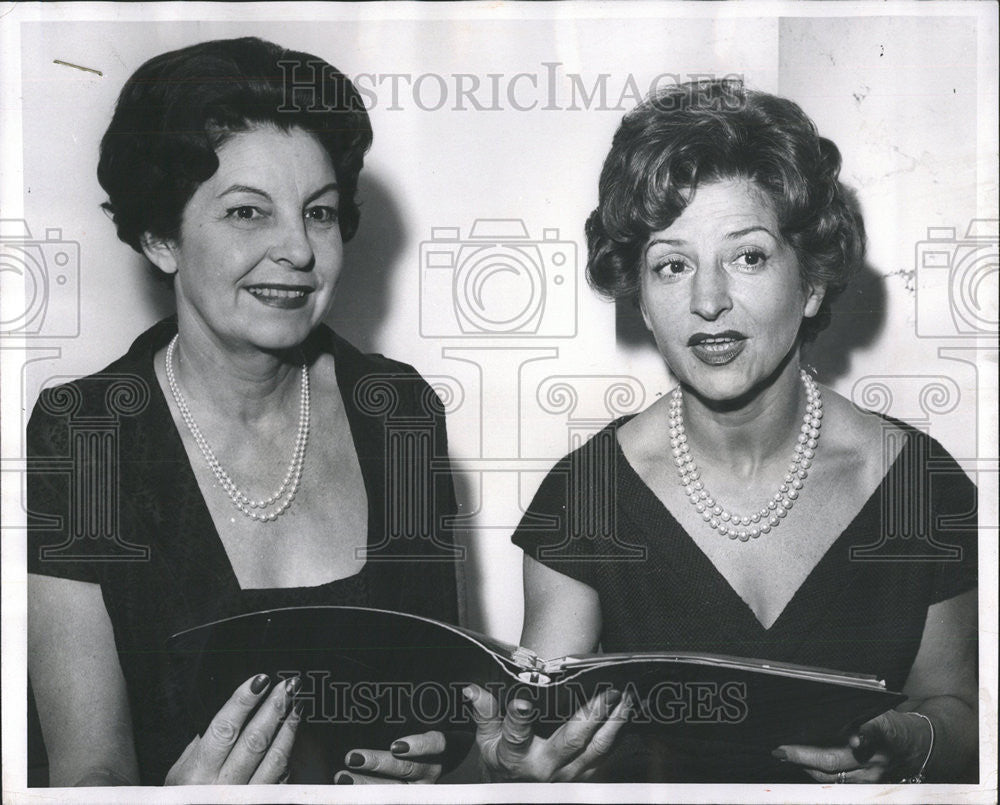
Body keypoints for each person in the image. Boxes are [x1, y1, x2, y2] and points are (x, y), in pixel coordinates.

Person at [459, 79, 977, 783]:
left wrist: (911, 741)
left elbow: (958, 710)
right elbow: (541, 734)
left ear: (814, 281)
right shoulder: (584, 497)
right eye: (672, 265)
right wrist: (513, 769)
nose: (708, 301)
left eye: (749, 256)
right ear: (641, 298)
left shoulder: (921, 481)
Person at [27, 37, 460, 786]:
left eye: (319, 212)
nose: (298, 248)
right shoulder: (84, 434)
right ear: (162, 236)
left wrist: (437, 752)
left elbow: (443, 697)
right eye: (247, 212)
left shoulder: (400, 411)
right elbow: (86, 769)